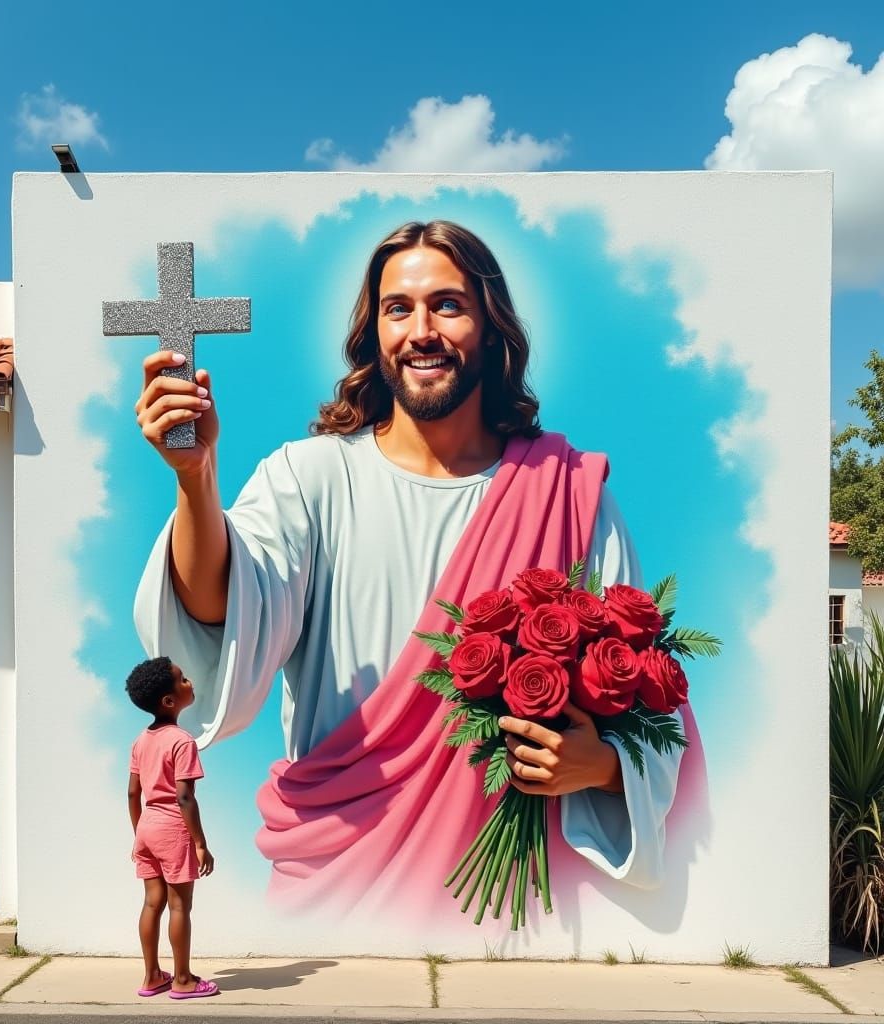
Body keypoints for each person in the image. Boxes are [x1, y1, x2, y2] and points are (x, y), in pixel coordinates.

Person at [133, 220, 683, 923]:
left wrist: (602, 768)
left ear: (491, 327)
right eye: (399, 308)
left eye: (448, 305)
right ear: (375, 334)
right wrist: (195, 479)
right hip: (336, 882)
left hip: (513, 901)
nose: (422, 331)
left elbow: (643, 693)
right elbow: (220, 611)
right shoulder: (312, 477)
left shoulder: (568, 490)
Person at [126, 656, 219, 999]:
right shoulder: (182, 741)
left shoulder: (141, 740)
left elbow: (133, 793)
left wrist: (138, 834)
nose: (189, 681)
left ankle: (152, 976)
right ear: (169, 701)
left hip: (147, 826)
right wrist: (200, 843)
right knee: (180, 907)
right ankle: (182, 980)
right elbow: (184, 797)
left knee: (152, 903)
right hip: (172, 829)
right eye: (182, 680)